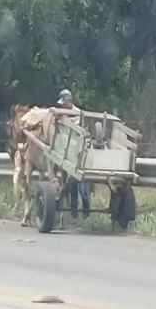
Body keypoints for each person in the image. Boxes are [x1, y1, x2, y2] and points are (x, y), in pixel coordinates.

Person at [55, 88, 90, 218]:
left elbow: (81, 130)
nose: (63, 106)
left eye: (64, 103)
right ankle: (74, 213)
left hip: (78, 149)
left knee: (82, 186)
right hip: (66, 149)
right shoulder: (61, 114)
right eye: (62, 104)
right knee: (73, 186)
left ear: (69, 101)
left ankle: (86, 213)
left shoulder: (78, 113)